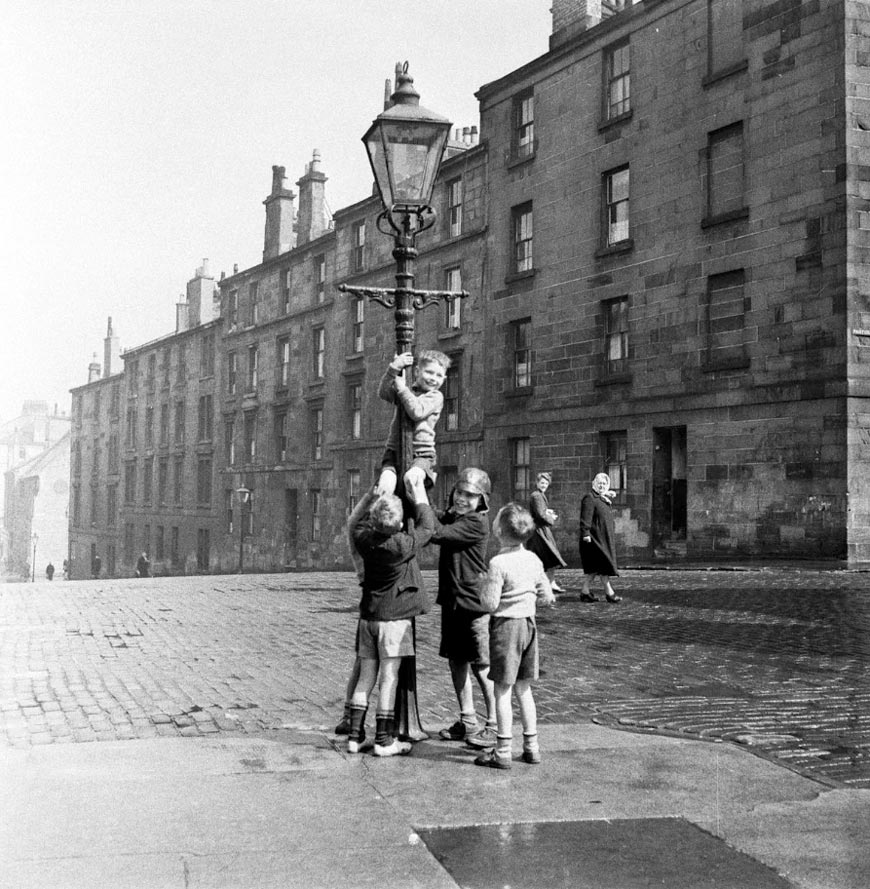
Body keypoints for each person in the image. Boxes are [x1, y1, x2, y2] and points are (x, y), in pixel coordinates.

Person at [346, 473, 435, 757]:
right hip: (394, 622)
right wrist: (419, 495)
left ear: (373, 521)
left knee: (365, 679)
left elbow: (353, 523)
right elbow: (428, 526)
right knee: (389, 678)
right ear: (398, 524)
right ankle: (384, 740)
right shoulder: (402, 545)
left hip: (368, 619)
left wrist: (374, 494)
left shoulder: (364, 539)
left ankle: (355, 736)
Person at [474, 502, 556, 769]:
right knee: (524, 688)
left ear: (499, 531)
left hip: (506, 628)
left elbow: (489, 604)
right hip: (528, 626)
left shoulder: (498, 563)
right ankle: (532, 747)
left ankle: (503, 750)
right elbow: (547, 596)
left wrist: (482, 584)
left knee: (502, 690)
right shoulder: (533, 559)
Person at [430, 467, 497, 749]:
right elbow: (435, 516)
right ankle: (468, 719)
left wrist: (421, 504)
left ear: (481, 500)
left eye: (470, 495)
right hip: (453, 600)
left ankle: (494, 724)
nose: (462, 499)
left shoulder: (475, 523)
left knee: (482, 666)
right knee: (456, 660)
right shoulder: (457, 516)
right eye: (459, 492)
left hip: (473, 604)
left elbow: (438, 532)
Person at [376, 350, 451, 498]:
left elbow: (417, 411)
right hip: (394, 452)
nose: (433, 379)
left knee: (412, 480)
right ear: (417, 371)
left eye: (439, 375)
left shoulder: (436, 396)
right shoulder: (407, 389)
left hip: (422, 454)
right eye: (429, 372)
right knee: (385, 486)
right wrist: (394, 369)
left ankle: (423, 516)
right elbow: (384, 393)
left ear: (444, 378)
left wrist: (402, 388)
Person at [579, 472, 622, 603]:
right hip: (594, 540)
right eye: (599, 483)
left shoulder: (601, 498)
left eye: (604, 483)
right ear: (594, 484)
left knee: (595, 567)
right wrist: (585, 533)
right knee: (604, 564)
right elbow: (585, 517)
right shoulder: (590, 498)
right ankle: (610, 593)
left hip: (602, 538)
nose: (602, 485)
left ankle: (585, 592)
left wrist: (607, 494)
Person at [525, 471, 567, 593]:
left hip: (541, 530)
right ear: (537, 483)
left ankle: (550, 583)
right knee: (546, 556)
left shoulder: (539, 494)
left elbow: (540, 511)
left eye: (546, 483)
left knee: (549, 557)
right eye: (542, 483)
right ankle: (537, 585)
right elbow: (540, 515)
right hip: (539, 532)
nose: (544, 485)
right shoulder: (537, 496)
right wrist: (551, 518)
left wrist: (547, 511)